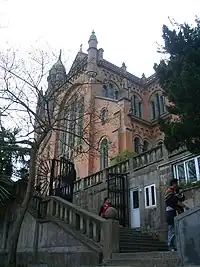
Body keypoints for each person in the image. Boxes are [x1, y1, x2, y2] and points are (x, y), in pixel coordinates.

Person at [165, 179, 189, 251]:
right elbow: (175, 201)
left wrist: (181, 193)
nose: (177, 184)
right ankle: (170, 245)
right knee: (172, 229)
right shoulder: (169, 192)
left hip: (175, 212)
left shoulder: (174, 192)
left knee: (176, 229)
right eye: (176, 183)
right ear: (174, 184)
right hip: (171, 213)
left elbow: (181, 199)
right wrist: (184, 206)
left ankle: (175, 245)